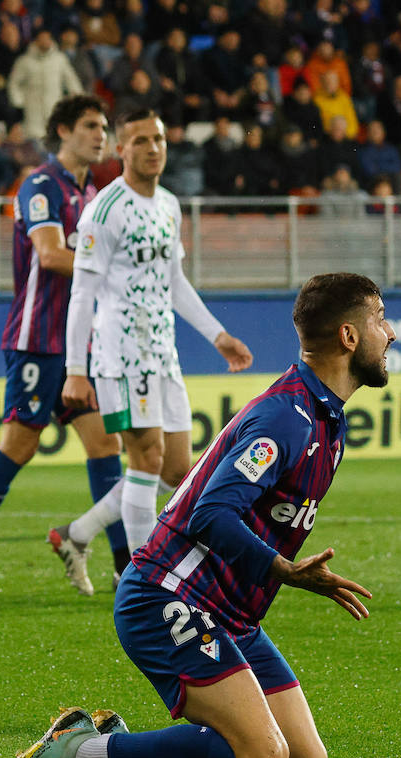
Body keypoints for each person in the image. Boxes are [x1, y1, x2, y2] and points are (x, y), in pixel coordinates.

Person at [0, 273, 394, 758]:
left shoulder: (323, 417)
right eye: (381, 321)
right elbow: (210, 514)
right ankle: (84, 750)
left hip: (232, 617)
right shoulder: (287, 419)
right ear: (349, 337)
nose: (391, 333)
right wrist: (285, 570)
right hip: (166, 596)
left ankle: (122, 737)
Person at [0, 95, 126, 595]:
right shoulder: (40, 185)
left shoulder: (95, 194)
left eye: (103, 127)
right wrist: (115, 271)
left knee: (105, 443)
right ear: (62, 130)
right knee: (19, 447)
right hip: (38, 341)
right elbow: (48, 253)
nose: (99, 135)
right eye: (89, 125)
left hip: (79, 348)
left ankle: (128, 567)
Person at [52, 108, 253, 573]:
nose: (152, 148)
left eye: (158, 139)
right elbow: (81, 294)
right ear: (121, 150)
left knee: (177, 471)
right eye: (139, 141)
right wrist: (76, 370)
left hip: (163, 351)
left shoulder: (167, 203)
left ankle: (76, 534)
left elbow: (174, 281)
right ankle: (143, 580)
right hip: (121, 356)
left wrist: (217, 335)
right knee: (147, 457)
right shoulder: (103, 210)